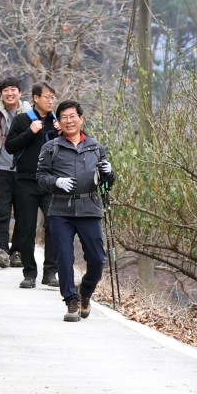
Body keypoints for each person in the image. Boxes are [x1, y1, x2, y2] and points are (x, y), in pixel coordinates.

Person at [36, 100, 116, 321]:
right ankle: (71, 301)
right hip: (61, 209)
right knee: (64, 257)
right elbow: (41, 177)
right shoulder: (51, 148)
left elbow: (106, 182)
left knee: (98, 259)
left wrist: (109, 173)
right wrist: (56, 182)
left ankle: (85, 292)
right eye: (64, 117)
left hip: (89, 207)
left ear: (81, 119)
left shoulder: (95, 147)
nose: (69, 121)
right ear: (58, 123)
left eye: (73, 116)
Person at [4, 81, 60, 288]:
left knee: (54, 224)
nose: (51, 101)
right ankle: (29, 273)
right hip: (26, 180)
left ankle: (50, 272)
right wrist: (30, 132)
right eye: (47, 97)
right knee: (26, 228)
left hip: (51, 182)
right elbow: (9, 147)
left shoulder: (58, 121)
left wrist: (61, 132)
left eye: (53, 97)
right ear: (36, 98)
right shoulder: (22, 120)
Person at [0, 73, 29, 269]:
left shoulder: (30, 112)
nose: (9, 93)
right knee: (1, 212)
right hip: (1, 169)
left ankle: (17, 252)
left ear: (20, 93)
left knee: (22, 213)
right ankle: (1, 250)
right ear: (1, 94)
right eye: (5, 91)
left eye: (13, 90)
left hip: (23, 170)